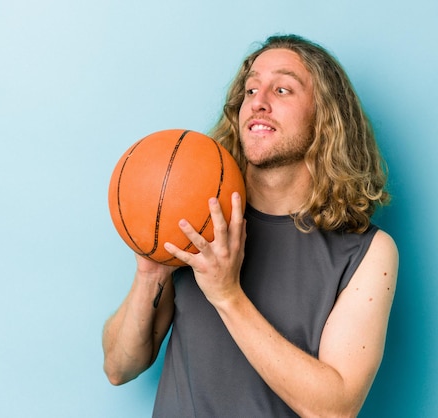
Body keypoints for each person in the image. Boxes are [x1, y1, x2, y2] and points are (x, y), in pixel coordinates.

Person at [102, 34, 398, 417]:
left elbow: (335, 409)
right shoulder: (200, 219)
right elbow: (118, 367)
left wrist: (227, 295)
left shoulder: (367, 252)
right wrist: (151, 269)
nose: (258, 102)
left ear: (326, 117)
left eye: (282, 89)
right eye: (251, 89)